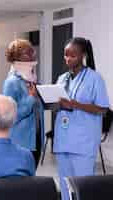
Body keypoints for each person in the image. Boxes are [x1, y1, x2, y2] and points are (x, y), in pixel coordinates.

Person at [54, 37, 110, 200]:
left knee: (82, 187)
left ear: (83, 55)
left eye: (73, 55)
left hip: (82, 143)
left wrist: (76, 105)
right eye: (66, 55)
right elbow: (59, 104)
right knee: (65, 186)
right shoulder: (62, 78)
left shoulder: (94, 78)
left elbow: (103, 109)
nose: (68, 59)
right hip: (63, 141)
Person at [2, 39, 44, 168]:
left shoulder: (32, 80)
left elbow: (37, 108)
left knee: (31, 179)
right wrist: (31, 98)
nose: (32, 55)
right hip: (21, 141)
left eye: (32, 52)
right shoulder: (11, 82)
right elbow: (11, 116)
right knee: (20, 182)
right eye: (28, 53)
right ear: (17, 58)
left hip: (36, 138)